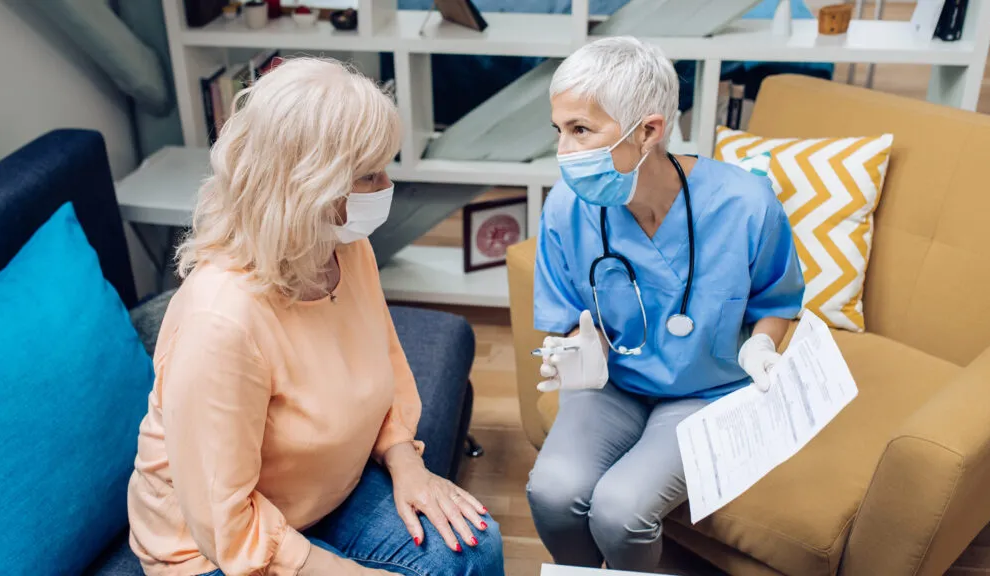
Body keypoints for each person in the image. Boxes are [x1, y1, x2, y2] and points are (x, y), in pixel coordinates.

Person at [126, 57, 503, 576]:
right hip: (215, 550)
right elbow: (226, 526)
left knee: (476, 547)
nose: (389, 184)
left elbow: (385, 363)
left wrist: (405, 460)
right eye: (371, 174)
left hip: (321, 498)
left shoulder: (346, 249)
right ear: (310, 189)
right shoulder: (222, 321)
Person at [527, 37, 805, 571]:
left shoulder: (746, 204)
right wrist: (570, 354)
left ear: (649, 131)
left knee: (620, 510)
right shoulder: (567, 208)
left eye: (581, 130)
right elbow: (565, 317)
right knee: (553, 493)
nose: (563, 151)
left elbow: (778, 298)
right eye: (559, 130)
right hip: (611, 386)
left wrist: (762, 346)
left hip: (708, 391)